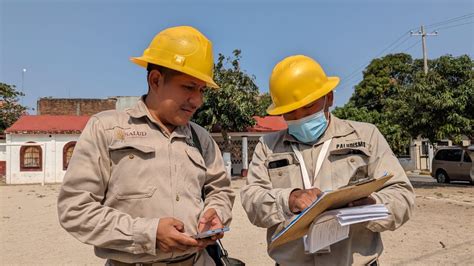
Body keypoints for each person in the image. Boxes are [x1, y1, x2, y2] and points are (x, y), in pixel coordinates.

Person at [57, 26, 235, 266]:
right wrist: (148, 233)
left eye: (202, 90)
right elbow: (75, 209)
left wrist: (216, 213)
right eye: (189, 87)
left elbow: (220, 190)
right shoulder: (107, 129)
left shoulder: (200, 137)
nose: (198, 100)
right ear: (156, 80)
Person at [240, 55, 415, 265]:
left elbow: (402, 194)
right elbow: (252, 199)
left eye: (308, 107)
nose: (300, 117)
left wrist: (371, 206)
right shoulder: (268, 145)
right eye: (290, 112)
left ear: (329, 98)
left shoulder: (366, 137)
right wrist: (290, 199)